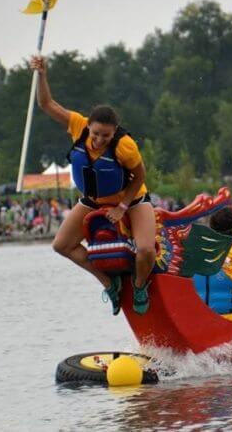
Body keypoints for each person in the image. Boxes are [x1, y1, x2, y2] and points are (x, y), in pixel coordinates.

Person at [31, 56, 157, 315]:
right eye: (96, 133)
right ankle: (109, 283)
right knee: (61, 245)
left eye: (106, 135)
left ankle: (140, 285)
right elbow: (46, 104)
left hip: (130, 199)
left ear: (114, 132)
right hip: (93, 200)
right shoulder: (77, 124)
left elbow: (140, 176)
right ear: (88, 125)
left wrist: (122, 207)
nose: (99, 139)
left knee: (145, 249)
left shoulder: (125, 146)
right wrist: (42, 74)